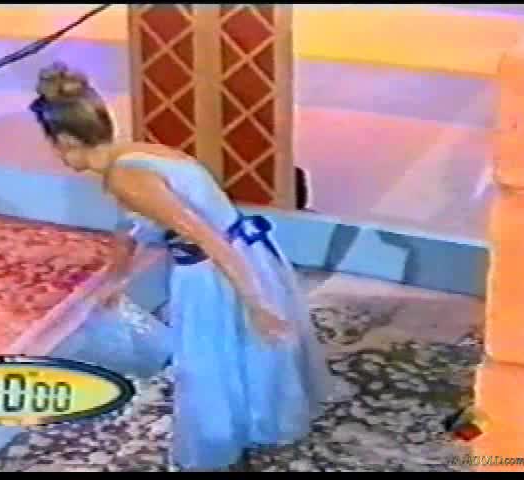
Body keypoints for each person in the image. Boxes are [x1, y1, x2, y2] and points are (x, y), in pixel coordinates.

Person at [29, 62, 332, 471]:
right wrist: (116, 280)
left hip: (216, 269)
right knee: (242, 353)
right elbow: (131, 227)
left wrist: (256, 303)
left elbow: (205, 235)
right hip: (244, 252)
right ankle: (249, 430)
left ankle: (220, 442)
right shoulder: (136, 154)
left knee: (207, 362)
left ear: (66, 140)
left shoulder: (126, 177)